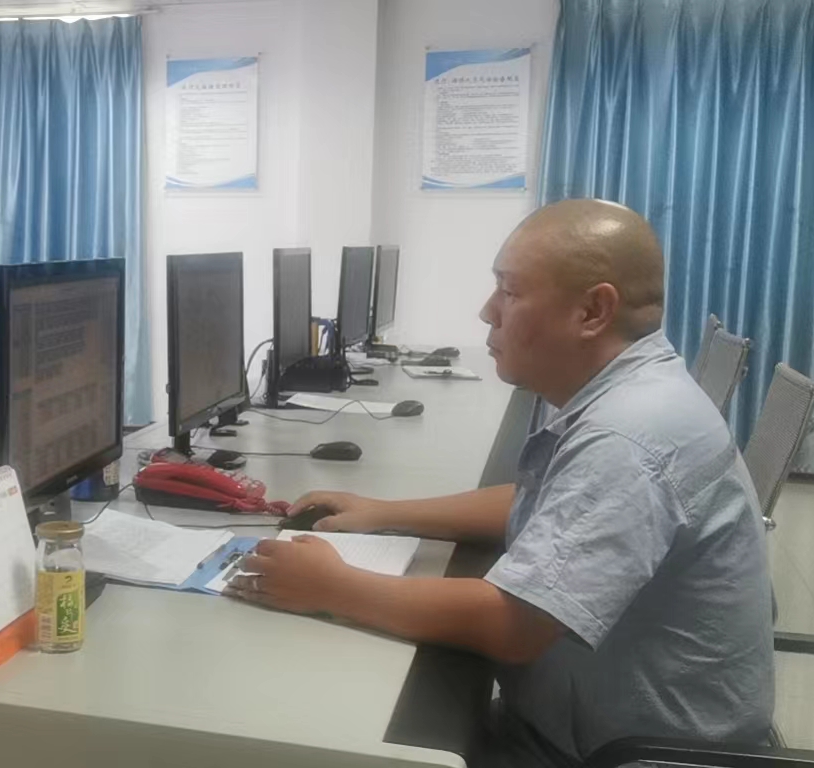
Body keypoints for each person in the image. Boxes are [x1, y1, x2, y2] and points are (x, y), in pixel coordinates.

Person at [225, 199, 774, 768]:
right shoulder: (628, 394)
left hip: (624, 758)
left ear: (592, 311)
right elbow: (553, 502)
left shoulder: (629, 435)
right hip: (589, 730)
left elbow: (515, 624)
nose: (488, 312)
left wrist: (330, 587)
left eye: (509, 292)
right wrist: (383, 511)